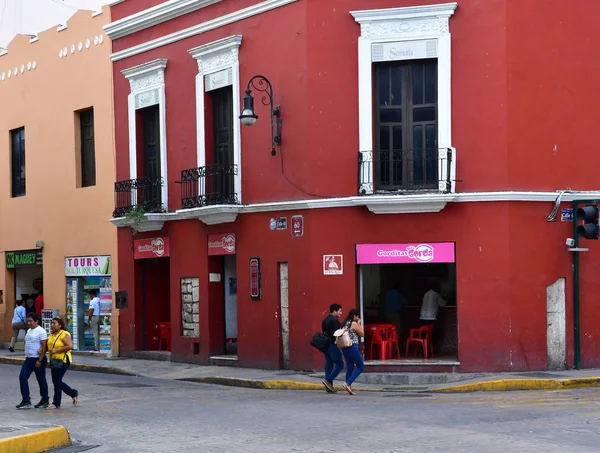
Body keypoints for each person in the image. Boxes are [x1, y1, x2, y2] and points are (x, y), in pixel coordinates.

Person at [16, 313, 49, 409]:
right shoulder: (29, 331)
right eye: (28, 321)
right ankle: (26, 400)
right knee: (22, 377)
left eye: (31, 321)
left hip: (38, 359)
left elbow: (44, 346)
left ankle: (45, 399)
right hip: (29, 359)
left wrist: (40, 360)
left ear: (36, 321)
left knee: (41, 379)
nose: (29, 323)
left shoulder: (41, 331)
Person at [47, 317, 78, 409]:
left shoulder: (64, 334)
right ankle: (73, 393)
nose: (52, 325)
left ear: (60, 325)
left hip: (63, 360)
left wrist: (57, 350)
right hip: (54, 360)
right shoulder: (51, 335)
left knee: (57, 381)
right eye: (51, 323)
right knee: (56, 381)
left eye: (54, 323)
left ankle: (56, 403)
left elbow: (69, 346)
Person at [340, 308, 365, 395]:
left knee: (350, 366)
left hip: (345, 347)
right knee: (360, 366)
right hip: (352, 347)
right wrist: (359, 323)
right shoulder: (353, 323)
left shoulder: (344, 323)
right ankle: (348, 383)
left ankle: (348, 387)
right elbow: (362, 334)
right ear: (354, 315)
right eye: (357, 316)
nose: (358, 317)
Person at [321, 304, 344, 393]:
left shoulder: (325, 320)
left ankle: (329, 386)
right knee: (340, 364)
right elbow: (338, 334)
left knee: (329, 364)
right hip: (333, 345)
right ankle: (328, 380)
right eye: (339, 311)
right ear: (334, 311)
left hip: (326, 345)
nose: (340, 313)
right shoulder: (335, 321)